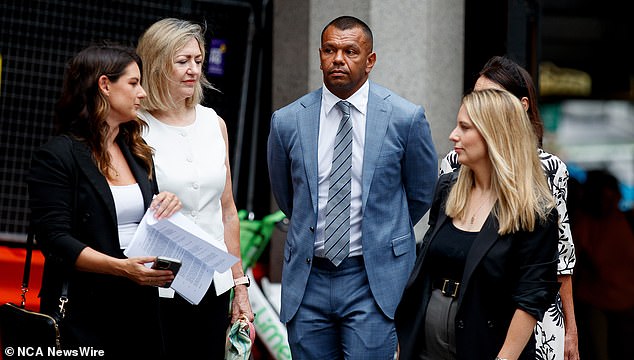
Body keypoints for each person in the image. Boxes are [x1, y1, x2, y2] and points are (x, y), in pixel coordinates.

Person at [267, 15, 437, 359]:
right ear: (319, 56)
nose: (338, 59)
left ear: (370, 60)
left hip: (373, 279)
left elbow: (420, 194)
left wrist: (382, 228)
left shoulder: (405, 118)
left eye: (350, 51)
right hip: (308, 278)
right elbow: (288, 196)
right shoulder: (287, 121)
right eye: (329, 50)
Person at [27, 44, 182, 358]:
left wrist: (165, 202)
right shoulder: (57, 155)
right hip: (83, 309)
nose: (142, 93)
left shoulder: (137, 151)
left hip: (139, 306)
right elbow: (55, 240)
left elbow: (139, 218)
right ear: (104, 85)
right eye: (133, 82)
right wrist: (121, 268)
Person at [396, 89, 560, 360]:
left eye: (464, 127)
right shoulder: (448, 188)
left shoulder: (535, 210)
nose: (453, 135)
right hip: (426, 347)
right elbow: (425, 267)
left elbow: (531, 298)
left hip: (487, 347)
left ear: (494, 134)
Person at [439, 56, 579, 360]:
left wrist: (571, 329)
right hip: (470, 309)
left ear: (521, 106)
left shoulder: (549, 169)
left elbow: (562, 255)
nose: (481, 105)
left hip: (537, 310)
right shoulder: (453, 166)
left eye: (492, 97)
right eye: (477, 96)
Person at [136, 18, 254, 359]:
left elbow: (227, 210)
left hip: (214, 284)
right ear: (157, 64)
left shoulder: (213, 122)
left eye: (198, 61)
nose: (193, 70)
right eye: (182, 61)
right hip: (159, 284)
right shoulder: (136, 127)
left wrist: (240, 286)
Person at [572, 169, 634, 360]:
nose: (609, 201)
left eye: (612, 196)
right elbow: (572, 265)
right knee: (599, 351)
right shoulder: (583, 224)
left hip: (626, 300)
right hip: (595, 301)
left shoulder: (627, 220)